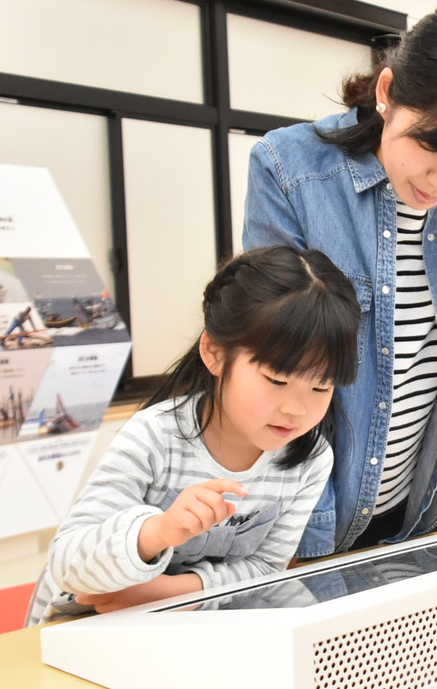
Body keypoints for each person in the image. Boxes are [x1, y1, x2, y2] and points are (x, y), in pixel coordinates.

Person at [244, 0, 437, 561]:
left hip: (421, 517)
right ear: (387, 93)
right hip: (304, 523)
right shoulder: (288, 170)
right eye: (430, 149)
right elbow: (283, 375)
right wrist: (311, 555)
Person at [24, 246, 364, 626]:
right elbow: (67, 562)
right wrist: (156, 532)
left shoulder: (310, 459)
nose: (297, 409)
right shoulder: (153, 438)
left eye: (322, 387)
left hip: (183, 631)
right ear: (215, 352)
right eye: (277, 380)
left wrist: (177, 593)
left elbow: (269, 568)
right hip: (78, 631)